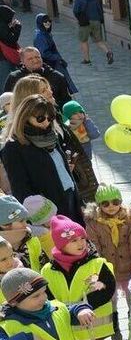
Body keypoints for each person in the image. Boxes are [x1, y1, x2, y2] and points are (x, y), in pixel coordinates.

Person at [1, 94, 83, 222]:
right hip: (47, 207)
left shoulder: (51, 135)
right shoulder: (13, 147)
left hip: (70, 195)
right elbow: (20, 187)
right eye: (40, 118)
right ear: (25, 117)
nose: (46, 122)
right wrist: (40, 214)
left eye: (50, 117)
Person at [3, 47, 72, 105]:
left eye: (37, 57)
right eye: (30, 59)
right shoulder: (15, 77)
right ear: (22, 61)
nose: (35, 60)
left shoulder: (57, 76)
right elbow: (6, 100)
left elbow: (66, 101)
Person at [32, 15, 76, 95]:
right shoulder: (40, 36)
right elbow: (44, 53)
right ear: (40, 23)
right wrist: (57, 58)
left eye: (49, 21)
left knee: (63, 84)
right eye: (45, 21)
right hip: (51, 64)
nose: (48, 23)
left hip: (55, 63)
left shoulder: (45, 33)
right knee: (59, 84)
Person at [71, 0, 113, 65]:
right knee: (98, 40)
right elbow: (99, 9)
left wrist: (79, 19)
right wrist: (100, 20)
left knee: (83, 41)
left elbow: (76, 11)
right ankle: (108, 52)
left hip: (85, 22)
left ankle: (87, 60)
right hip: (96, 20)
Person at [0, 6, 22, 83]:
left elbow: (6, 36)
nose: (11, 18)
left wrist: (12, 28)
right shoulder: (1, 26)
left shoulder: (2, 23)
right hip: (3, 58)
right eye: (10, 16)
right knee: (5, 81)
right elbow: (11, 40)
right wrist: (18, 28)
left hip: (5, 57)